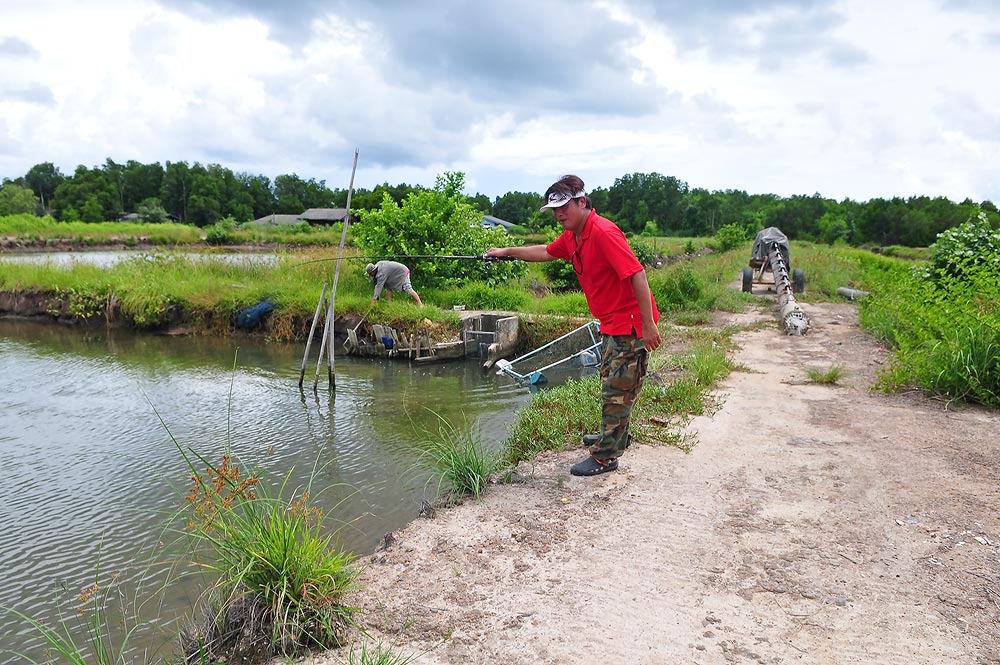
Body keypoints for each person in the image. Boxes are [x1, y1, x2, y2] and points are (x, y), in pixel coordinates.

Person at [485, 175, 661, 477]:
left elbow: (638, 275)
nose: (559, 214)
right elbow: (545, 252)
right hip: (610, 321)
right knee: (614, 381)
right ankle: (617, 435)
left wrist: (647, 325)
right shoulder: (573, 236)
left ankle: (606, 456)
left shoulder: (603, 232)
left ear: (582, 202)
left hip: (629, 324)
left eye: (564, 207)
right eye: (554, 210)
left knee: (617, 389)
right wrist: (506, 251)